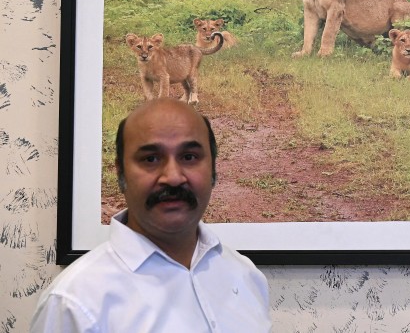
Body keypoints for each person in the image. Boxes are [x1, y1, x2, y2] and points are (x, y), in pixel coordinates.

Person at [30, 97, 271, 333]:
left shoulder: (245, 275)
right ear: (120, 172)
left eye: (189, 157)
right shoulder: (74, 302)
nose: (173, 177)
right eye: (151, 159)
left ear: (213, 168)